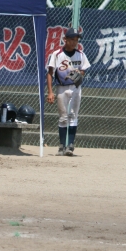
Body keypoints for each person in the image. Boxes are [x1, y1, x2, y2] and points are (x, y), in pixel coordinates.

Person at [46, 28, 90, 156]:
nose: (74, 42)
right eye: (72, 39)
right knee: (63, 117)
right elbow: (50, 73)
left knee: (73, 115)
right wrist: (50, 92)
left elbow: (83, 70)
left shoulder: (80, 54)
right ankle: (61, 146)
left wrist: (79, 73)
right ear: (65, 39)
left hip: (75, 87)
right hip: (61, 88)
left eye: (76, 40)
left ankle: (70, 145)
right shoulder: (57, 54)